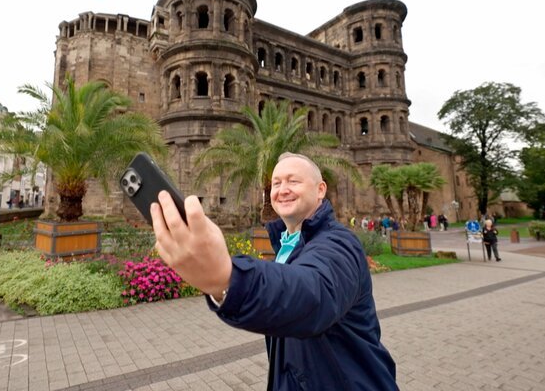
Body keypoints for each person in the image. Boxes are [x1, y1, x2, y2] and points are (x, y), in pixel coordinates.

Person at [150, 152, 397, 390]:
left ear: (320, 190)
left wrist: (228, 277)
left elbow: (313, 293)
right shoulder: (288, 243)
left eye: (293, 181)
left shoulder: (339, 244)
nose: (282, 189)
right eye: (276, 183)